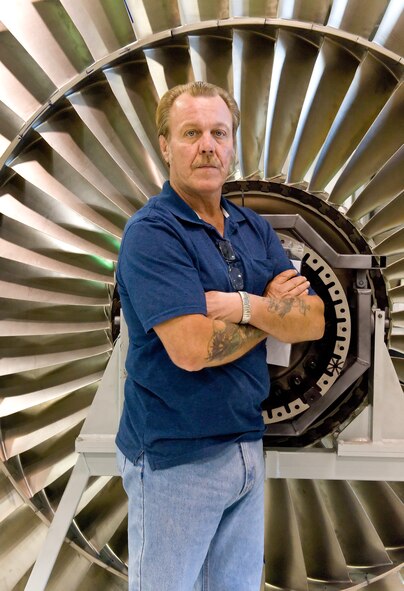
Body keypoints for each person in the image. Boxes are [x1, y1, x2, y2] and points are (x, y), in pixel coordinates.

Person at [115, 81, 325, 591]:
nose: (207, 145)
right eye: (191, 133)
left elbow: (315, 320)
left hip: (246, 449)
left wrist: (239, 307)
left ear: (232, 144)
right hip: (175, 461)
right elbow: (191, 350)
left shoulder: (251, 227)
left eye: (219, 132)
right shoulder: (153, 235)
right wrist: (271, 312)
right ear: (165, 145)